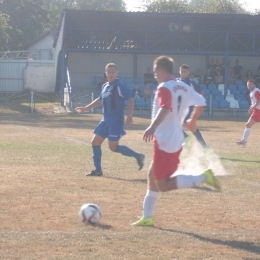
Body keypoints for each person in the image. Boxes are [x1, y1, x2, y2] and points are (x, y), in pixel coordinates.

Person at [131, 56, 221, 227]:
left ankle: (204, 177)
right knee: (152, 175)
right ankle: (147, 216)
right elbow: (201, 101)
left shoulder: (164, 87)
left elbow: (166, 107)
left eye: (156, 71)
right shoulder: (184, 87)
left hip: (165, 141)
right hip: (173, 139)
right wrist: (193, 120)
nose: (155, 75)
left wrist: (151, 127)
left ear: (161, 70)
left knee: (162, 185)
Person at [75, 63, 145, 176]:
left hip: (116, 121)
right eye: (108, 72)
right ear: (106, 73)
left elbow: (131, 99)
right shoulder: (105, 86)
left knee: (113, 147)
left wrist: (130, 115)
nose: (111, 74)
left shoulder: (119, 85)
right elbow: (99, 100)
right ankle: (98, 170)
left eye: (113, 72)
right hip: (105, 120)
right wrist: (86, 108)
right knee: (95, 142)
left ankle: (138, 156)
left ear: (117, 73)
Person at [177, 64, 209, 150]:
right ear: (179, 71)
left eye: (185, 72)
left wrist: (193, 100)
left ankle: (186, 138)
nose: (183, 73)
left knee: (177, 125)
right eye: (182, 71)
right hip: (179, 108)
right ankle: (205, 147)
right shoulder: (176, 81)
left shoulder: (191, 82)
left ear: (188, 72)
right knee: (189, 127)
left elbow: (201, 92)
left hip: (187, 108)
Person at [236, 79, 260, 146]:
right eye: (248, 84)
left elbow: (258, 101)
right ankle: (244, 141)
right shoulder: (252, 91)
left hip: (258, 111)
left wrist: (252, 108)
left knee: (248, 125)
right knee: (248, 125)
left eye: (251, 84)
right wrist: (252, 106)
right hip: (257, 110)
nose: (249, 86)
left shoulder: (256, 91)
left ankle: (244, 141)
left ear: (254, 85)